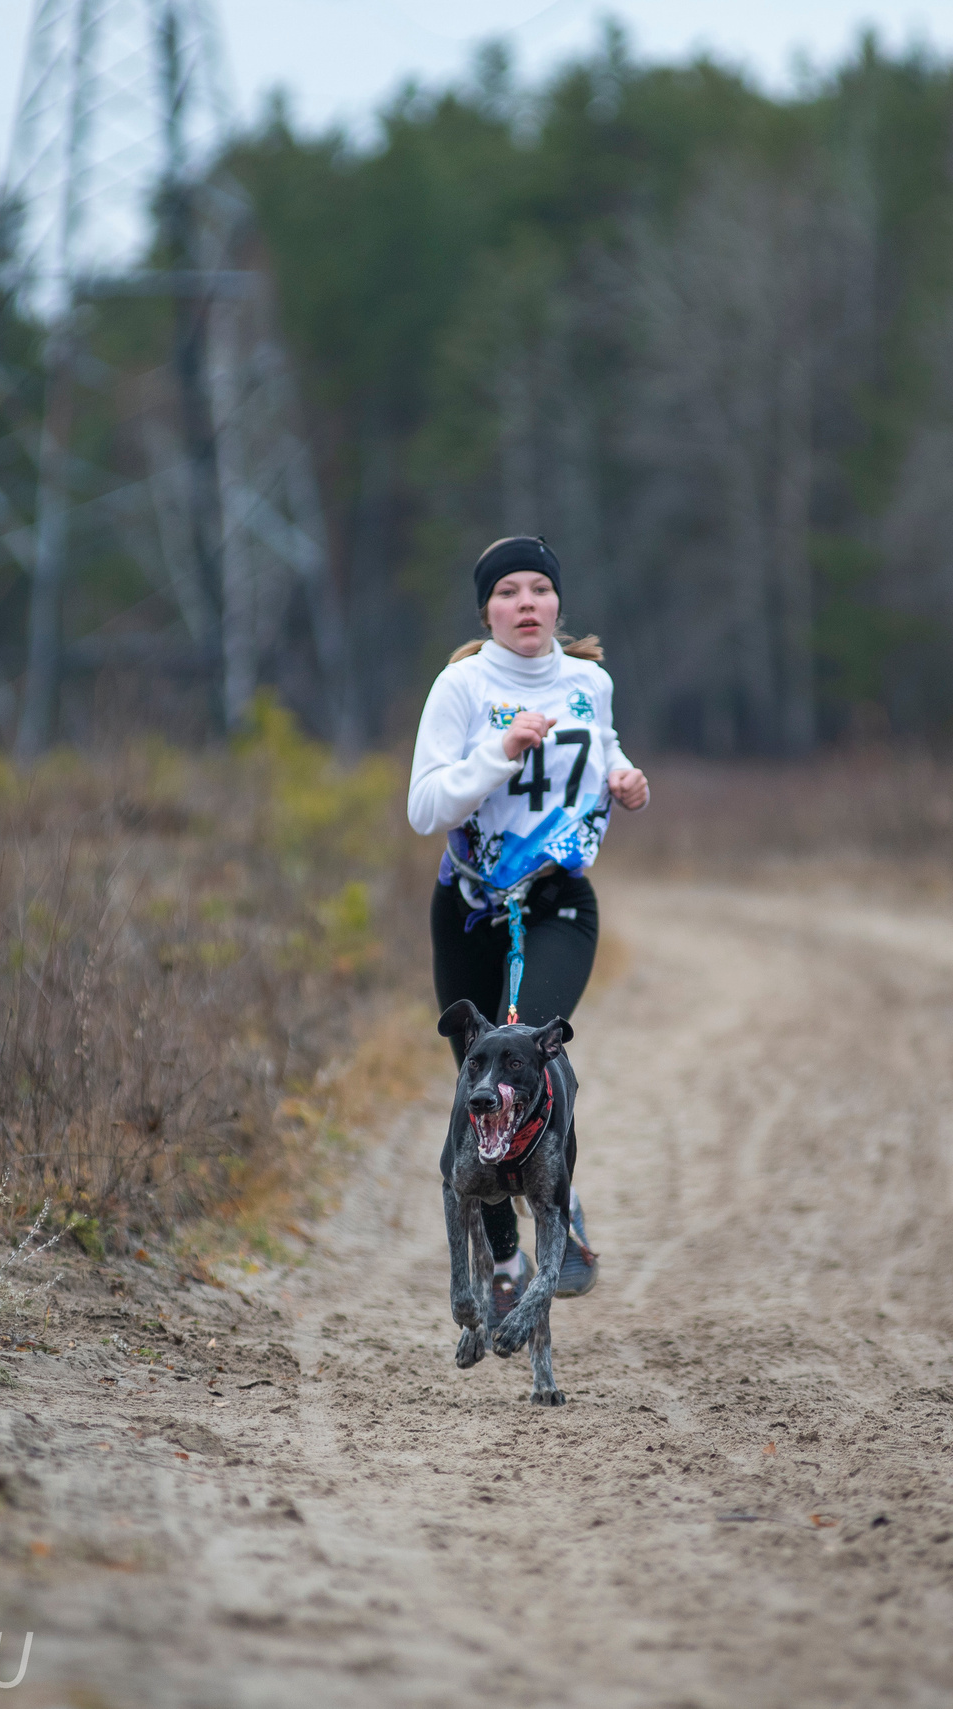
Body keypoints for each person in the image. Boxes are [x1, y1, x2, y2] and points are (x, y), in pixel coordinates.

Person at [406, 536, 650, 1313]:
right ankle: (505, 1261)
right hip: (472, 908)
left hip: (559, 903)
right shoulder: (462, 688)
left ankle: (561, 1210)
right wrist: (498, 751)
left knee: (532, 1045)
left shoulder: (590, 681)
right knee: (480, 1080)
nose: (525, 604)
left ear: (557, 603)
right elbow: (425, 808)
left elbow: (602, 747)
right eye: (508, 591)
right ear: (487, 608)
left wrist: (625, 777)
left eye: (538, 589)